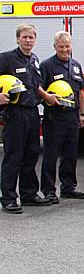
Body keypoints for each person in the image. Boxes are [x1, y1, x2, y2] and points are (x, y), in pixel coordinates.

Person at [0, 24, 59, 214]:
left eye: (31, 37)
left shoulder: (34, 59)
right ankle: (8, 198)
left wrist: (46, 96)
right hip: (15, 114)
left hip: (33, 112)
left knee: (32, 154)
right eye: (24, 37)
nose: (28, 40)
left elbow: (35, 85)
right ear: (18, 39)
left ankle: (28, 193)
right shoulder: (6, 58)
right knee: (14, 156)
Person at [39, 31, 84, 203]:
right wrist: (48, 98)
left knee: (71, 154)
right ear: (55, 47)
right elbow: (38, 88)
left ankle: (68, 187)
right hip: (54, 117)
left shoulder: (75, 65)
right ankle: (48, 190)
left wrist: (82, 114)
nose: (65, 50)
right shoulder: (46, 66)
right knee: (51, 155)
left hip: (72, 116)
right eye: (61, 47)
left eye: (67, 46)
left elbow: (80, 91)